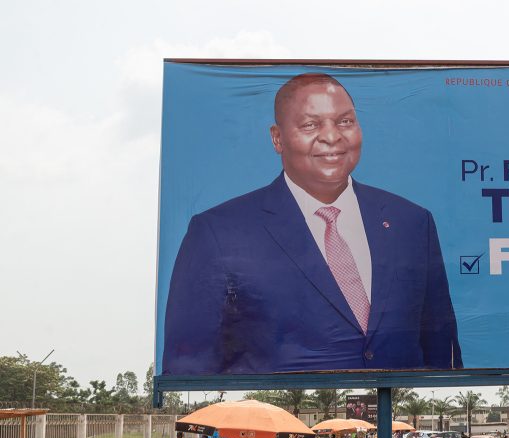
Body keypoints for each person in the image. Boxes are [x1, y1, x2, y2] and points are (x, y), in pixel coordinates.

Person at [163, 72, 462, 375]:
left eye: (345, 121)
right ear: (277, 138)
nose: (332, 136)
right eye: (311, 125)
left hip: (397, 417)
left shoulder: (411, 223)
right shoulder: (218, 232)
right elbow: (188, 366)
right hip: (285, 418)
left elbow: (441, 352)